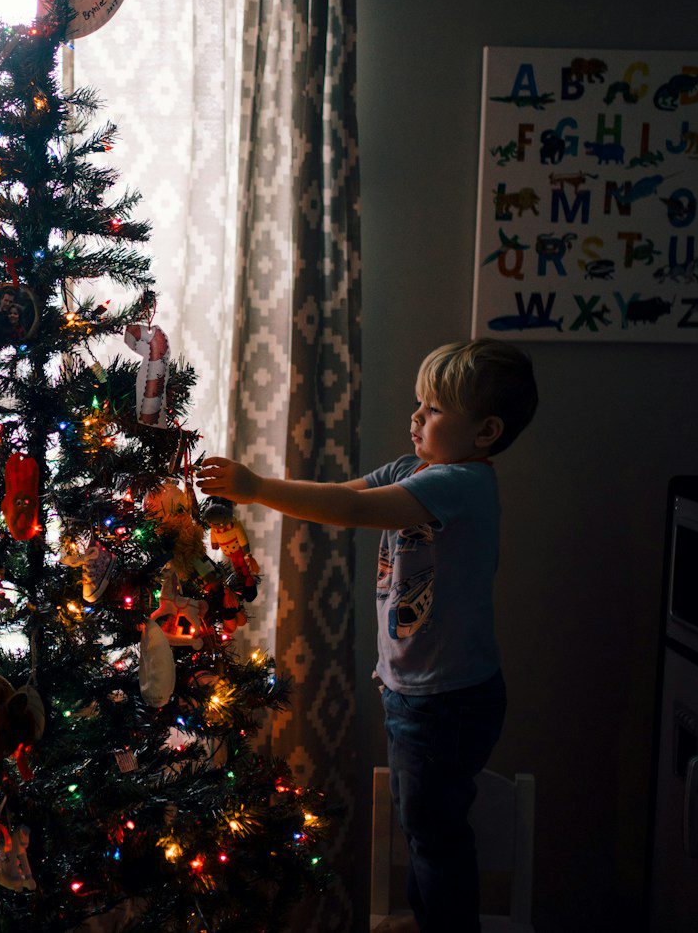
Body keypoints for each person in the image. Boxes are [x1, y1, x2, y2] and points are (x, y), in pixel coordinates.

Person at [197, 338, 537, 933]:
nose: (416, 418)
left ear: (485, 432)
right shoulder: (416, 469)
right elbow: (345, 496)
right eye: (419, 404)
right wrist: (260, 489)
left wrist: (255, 488)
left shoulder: (461, 484)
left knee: (433, 836)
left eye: (433, 411)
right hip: (419, 692)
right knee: (426, 827)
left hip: (446, 700)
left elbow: (352, 514)